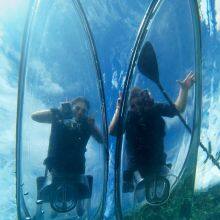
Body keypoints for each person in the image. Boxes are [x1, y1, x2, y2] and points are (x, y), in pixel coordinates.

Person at [109, 72, 195, 192]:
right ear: (131, 106)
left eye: (142, 101)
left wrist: (184, 89)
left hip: (157, 163)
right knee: (145, 192)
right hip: (137, 170)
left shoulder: (155, 108)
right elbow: (113, 131)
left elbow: (177, 109)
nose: (139, 107)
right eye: (134, 105)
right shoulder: (129, 117)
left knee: (166, 191)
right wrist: (118, 109)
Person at [32, 97, 103, 215]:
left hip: (76, 170)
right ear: (71, 107)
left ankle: (79, 205)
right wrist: (58, 111)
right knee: (52, 204)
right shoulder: (59, 116)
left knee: (80, 210)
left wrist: (93, 126)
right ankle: (48, 212)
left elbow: (101, 140)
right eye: (77, 108)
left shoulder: (86, 124)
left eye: (84, 111)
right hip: (56, 169)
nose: (80, 112)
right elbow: (34, 116)